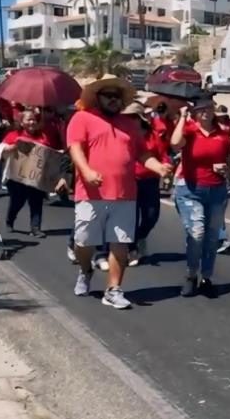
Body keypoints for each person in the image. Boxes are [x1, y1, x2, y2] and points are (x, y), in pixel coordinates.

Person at [67, 75, 172, 309]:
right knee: (84, 242)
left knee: (120, 243)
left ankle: (113, 289)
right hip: (91, 193)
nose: (113, 100)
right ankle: (86, 270)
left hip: (125, 194)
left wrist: (159, 167)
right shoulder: (82, 118)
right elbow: (75, 149)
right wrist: (87, 171)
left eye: (117, 96)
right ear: (97, 97)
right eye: (108, 96)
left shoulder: (129, 125)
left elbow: (142, 154)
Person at [170, 98, 230, 297]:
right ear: (195, 112)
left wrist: (225, 168)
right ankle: (191, 274)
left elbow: (229, 159)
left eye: (209, 108)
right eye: (201, 109)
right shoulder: (189, 130)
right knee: (197, 234)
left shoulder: (222, 134)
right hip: (191, 189)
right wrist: (182, 116)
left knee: (212, 237)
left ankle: (206, 276)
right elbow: (174, 144)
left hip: (216, 190)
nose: (205, 112)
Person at [0, 110, 54, 238]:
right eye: (28, 119)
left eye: (34, 119)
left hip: (36, 176)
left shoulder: (43, 137)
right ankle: (10, 220)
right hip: (17, 177)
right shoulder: (14, 135)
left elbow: (49, 153)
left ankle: (35, 228)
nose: (32, 122)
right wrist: (10, 148)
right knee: (18, 201)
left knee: (36, 201)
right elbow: (1, 149)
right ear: (22, 123)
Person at [123, 102, 165, 267]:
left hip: (151, 180)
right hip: (130, 180)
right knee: (131, 218)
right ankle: (132, 249)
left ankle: (140, 237)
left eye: (133, 117)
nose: (129, 120)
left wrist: (164, 167)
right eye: (127, 117)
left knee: (151, 216)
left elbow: (161, 154)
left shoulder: (152, 134)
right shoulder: (123, 135)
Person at [214, 104, 230, 253]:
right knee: (216, 206)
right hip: (213, 165)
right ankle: (218, 237)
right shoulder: (212, 126)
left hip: (225, 159)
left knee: (220, 205)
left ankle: (220, 237)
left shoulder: (229, 124)